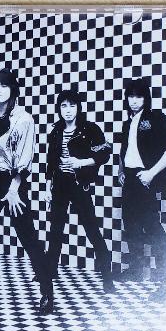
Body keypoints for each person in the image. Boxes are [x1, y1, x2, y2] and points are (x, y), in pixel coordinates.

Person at [0, 69, 53, 313]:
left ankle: (47, 292)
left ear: (13, 89)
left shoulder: (24, 119)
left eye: (3, 86)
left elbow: (25, 158)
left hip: (14, 182)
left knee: (28, 237)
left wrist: (14, 189)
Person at [44, 89, 115, 294]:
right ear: (59, 108)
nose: (67, 110)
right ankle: (50, 271)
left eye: (72, 106)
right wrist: (47, 187)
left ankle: (107, 278)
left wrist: (81, 162)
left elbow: (105, 153)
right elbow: (51, 161)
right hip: (59, 184)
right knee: (55, 229)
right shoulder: (56, 130)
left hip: (79, 184)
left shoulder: (89, 129)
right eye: (63, 106)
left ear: (78, 107)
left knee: (92, 229)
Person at [117, 78, 166, 301]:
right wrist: (122, 170)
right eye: (130, 96)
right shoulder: (127, 123)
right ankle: (134, 269)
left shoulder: (157, 118)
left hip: (146, 178)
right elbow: (126, 151)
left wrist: (151, 173)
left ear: (146, 97)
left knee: (152, 228)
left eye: (138, 96)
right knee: (130, 224)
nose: (134, 100)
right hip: (130, 179)